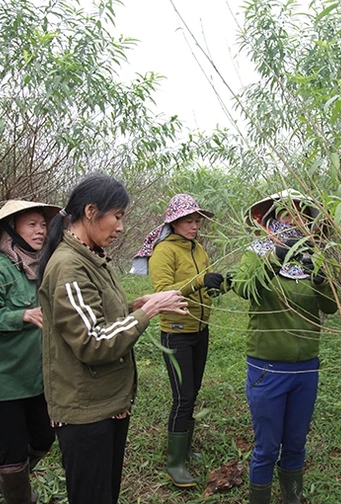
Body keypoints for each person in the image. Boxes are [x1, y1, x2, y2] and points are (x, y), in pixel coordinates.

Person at [37, 174, 189, 504]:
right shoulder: (69, 267)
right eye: (117, 216)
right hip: (86, 411)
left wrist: (141, 303)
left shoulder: (91, 258)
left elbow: (102, 314)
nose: (120, 227)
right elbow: (94, 341)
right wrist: (148, 313)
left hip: (106, 402)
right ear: (91, 211)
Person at [230, 189, 338, 504]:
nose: (295, 220)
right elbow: (242, 287)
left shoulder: (314, 257)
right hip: (267, 368)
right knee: (266, 446)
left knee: (296, 442)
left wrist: (320, 278)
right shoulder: (256, 252)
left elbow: (330, 308)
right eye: (288, 213)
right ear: (274, 217)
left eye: (302, 214)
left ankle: (292, 497)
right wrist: (275, 257)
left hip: (306, 367)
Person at [0, 199, 60, 504]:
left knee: (45, 437)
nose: (40, 230)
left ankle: (6, 481)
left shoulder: (40, 266)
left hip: (34, 376)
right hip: (4, 381)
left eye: (43, 224)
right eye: (31, 224)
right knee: (13, 452)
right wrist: (21, 315)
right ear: (12, 229)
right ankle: (19, 494)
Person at [146, 193, 228, 487]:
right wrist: (198, 283)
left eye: (197, 221)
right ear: (175, 222)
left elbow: (201, 286)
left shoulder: (199, 250)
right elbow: (163, 292)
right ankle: (175, 462)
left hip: (199, 330)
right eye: (189, 220)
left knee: (192, 391)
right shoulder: (164, 252)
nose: (195, 226)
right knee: (182, 398)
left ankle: (186, 449)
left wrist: (216, 285)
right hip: (176, 332)